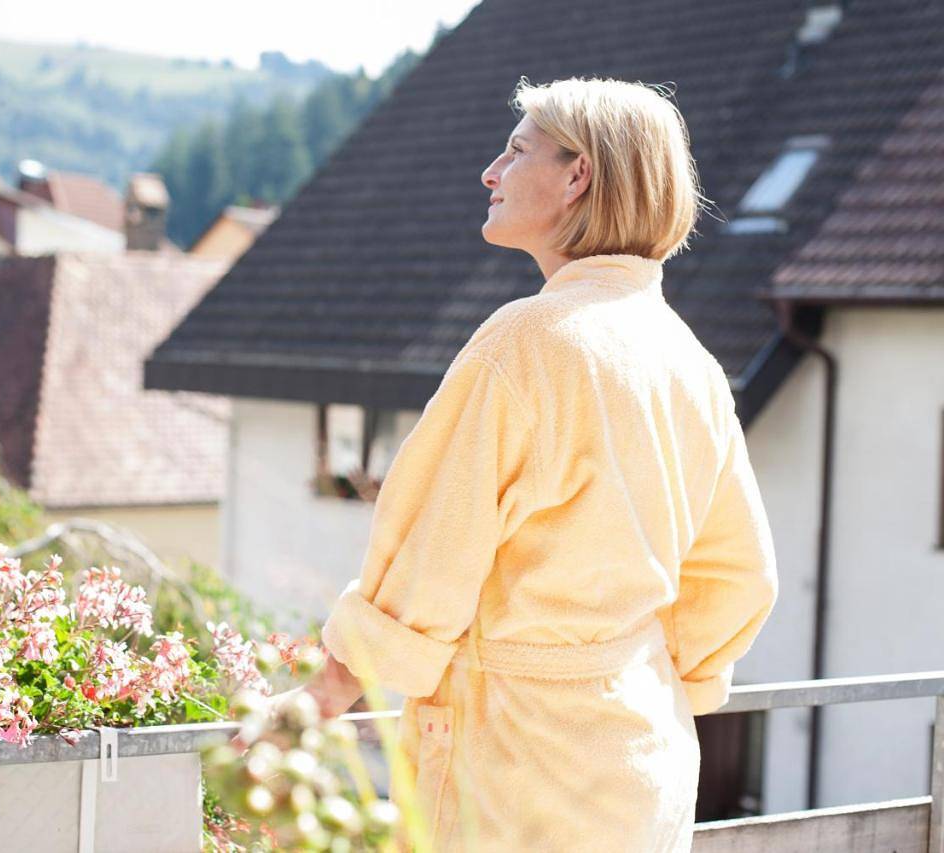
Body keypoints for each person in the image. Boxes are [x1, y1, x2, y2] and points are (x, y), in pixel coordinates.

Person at [251, 76, 780, 851]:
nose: (490, 172)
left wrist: (331, 686)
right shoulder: (687, 358)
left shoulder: (528, 340)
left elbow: (436, 540)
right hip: (643, 757)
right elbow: (738, 575)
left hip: (518, 769)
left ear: (579, 175)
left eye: (516, 149)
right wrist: (656, 676)